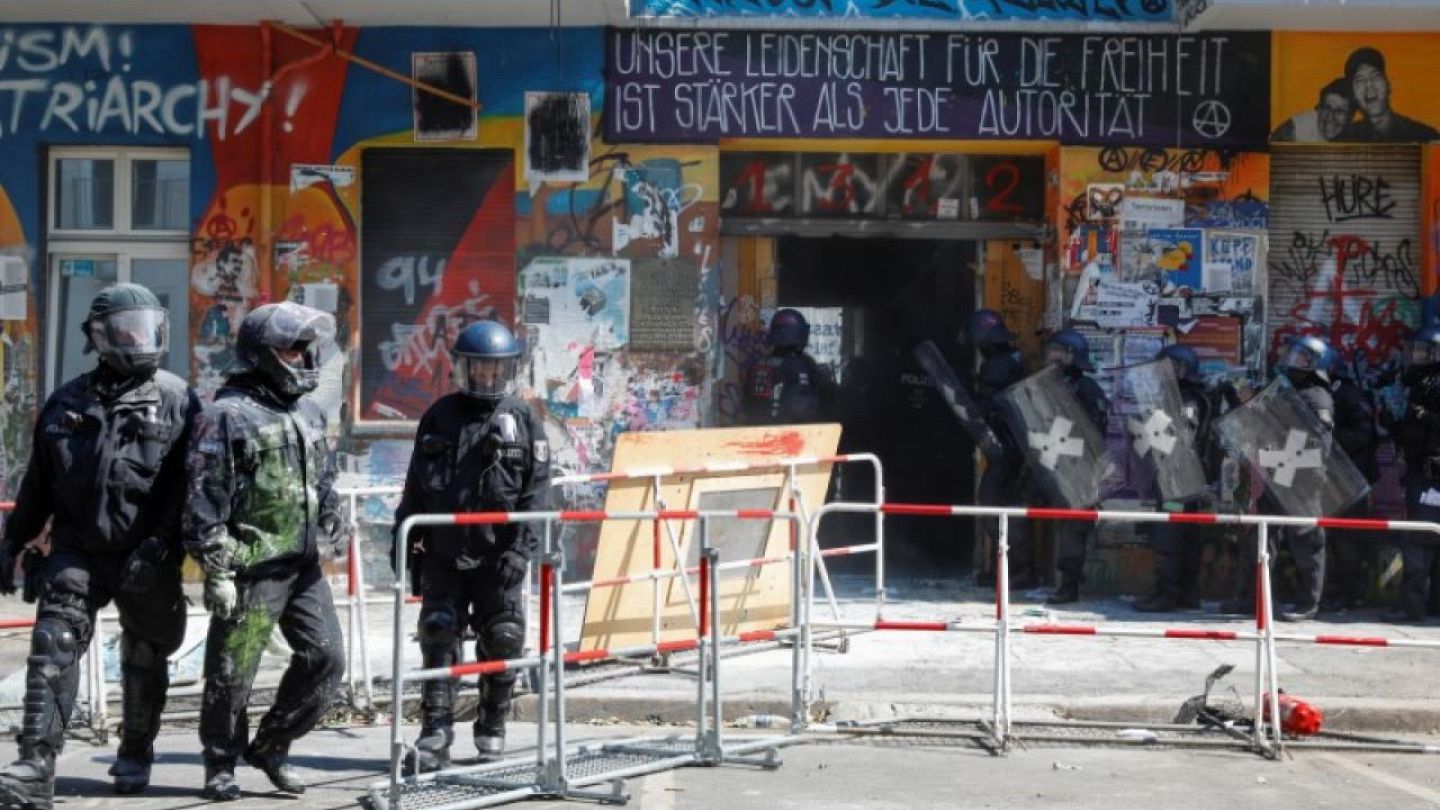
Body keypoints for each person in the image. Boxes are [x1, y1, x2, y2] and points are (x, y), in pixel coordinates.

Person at [0, 285, 198, 809]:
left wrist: (163, 546)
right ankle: (34, 767)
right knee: (54, 643)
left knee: (146, 651)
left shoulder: (176, 397)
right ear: (99, 336)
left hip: (146, 551)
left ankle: (136, 749)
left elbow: (191, 486)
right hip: (77, 548)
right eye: (126, 328)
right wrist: (13, 543)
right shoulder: (67, 402)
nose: (139, 339)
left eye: (147, 327)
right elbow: (37, 484)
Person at [184, 301, 345, 801]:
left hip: (303, 565)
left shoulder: (310, 410)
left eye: (305, 346)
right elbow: (203, 497)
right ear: (263, 354)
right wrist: (216, 568)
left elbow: (323, 476)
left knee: (327, 658)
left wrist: (333, 511)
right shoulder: (227, 416)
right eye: (291, 347)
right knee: (234, 672)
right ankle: (220, 764)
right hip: (252, 567)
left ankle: (273, 745)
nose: (301, 355)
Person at [392, 320, 551, 771]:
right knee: (438, 634)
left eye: (496, 368)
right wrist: (405, 542)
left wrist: (522, 549)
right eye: (478, 368)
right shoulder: (438, 416)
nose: (487, 376)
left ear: (508, 369)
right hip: (445, 554)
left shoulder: (523, 419)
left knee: (503, 638)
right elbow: (415, 489)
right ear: (463, 368)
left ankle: (492, 726)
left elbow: (536, 492)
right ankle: (436, 732)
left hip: (499, 558)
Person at [1136, 345, 1219, 613]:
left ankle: (1168, 594)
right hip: (1180, 479)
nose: (1161, 372)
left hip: (1180, 484)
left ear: (1181, 369)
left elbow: (1180, 438)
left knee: (1169, 537)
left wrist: (1150, 423)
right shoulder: (1177, 397)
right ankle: (1186, 594)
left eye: (1167, 367)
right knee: (1186, 537)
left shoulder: (1187, 401)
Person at [967, 310, 1035, 589]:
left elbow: (988, 404)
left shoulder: (999, 365)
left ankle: (1017, 572)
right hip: (1015, 446)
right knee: (1002, 509)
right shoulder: (1014, 358)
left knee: (994, 505)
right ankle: (1006, 571)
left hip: (1008, 447)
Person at [1042, 329, 1109, 605]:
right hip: (1059, 466)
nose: (1052, 356)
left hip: (1081, 470)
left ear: (1071, 354)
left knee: (1073, 529)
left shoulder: (1086, 389)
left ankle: (1069, 586)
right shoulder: (1054, 387)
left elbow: (1090, 434)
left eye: (1058, 350)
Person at [1324, 349, 1381, 612]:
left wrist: (1328, 436)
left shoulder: (1349, 395)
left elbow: (1363, 435)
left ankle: (1352, 593)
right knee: (1332, 539)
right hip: (1330, 478)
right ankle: (1336, 591)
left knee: (1347, 540)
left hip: (1352, 479)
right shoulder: (1327, 394)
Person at [1390, 326, 1440, 622]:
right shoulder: (1420, 383)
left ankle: (1413, 608)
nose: (1417, 356)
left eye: (1424, 351)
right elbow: (1413, 431)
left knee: (1419, 539)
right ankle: (1429, 605)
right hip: (1420, 469)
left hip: (1431, 474)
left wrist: (1428, 417)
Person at [743, 308, 833, 425]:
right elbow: (801, 409)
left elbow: (747, 402)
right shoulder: (799, 365)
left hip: (757, 432)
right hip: (788, 435)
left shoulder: (759, 363)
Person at [1338, 47, 1440, 143]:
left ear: (1388, 85)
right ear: (1353, 95)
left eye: (1375, 76)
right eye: (1360, 81)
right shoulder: (1345, 139)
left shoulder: (1425, 136)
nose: (1369, 85)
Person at [1270, 78, 1354, 143]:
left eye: (1339, 111)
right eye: (1326, 108)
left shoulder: (1355, 135)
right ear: (1319, 109)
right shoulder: (1300, 127)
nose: (1330, 117)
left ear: (1350, 117)